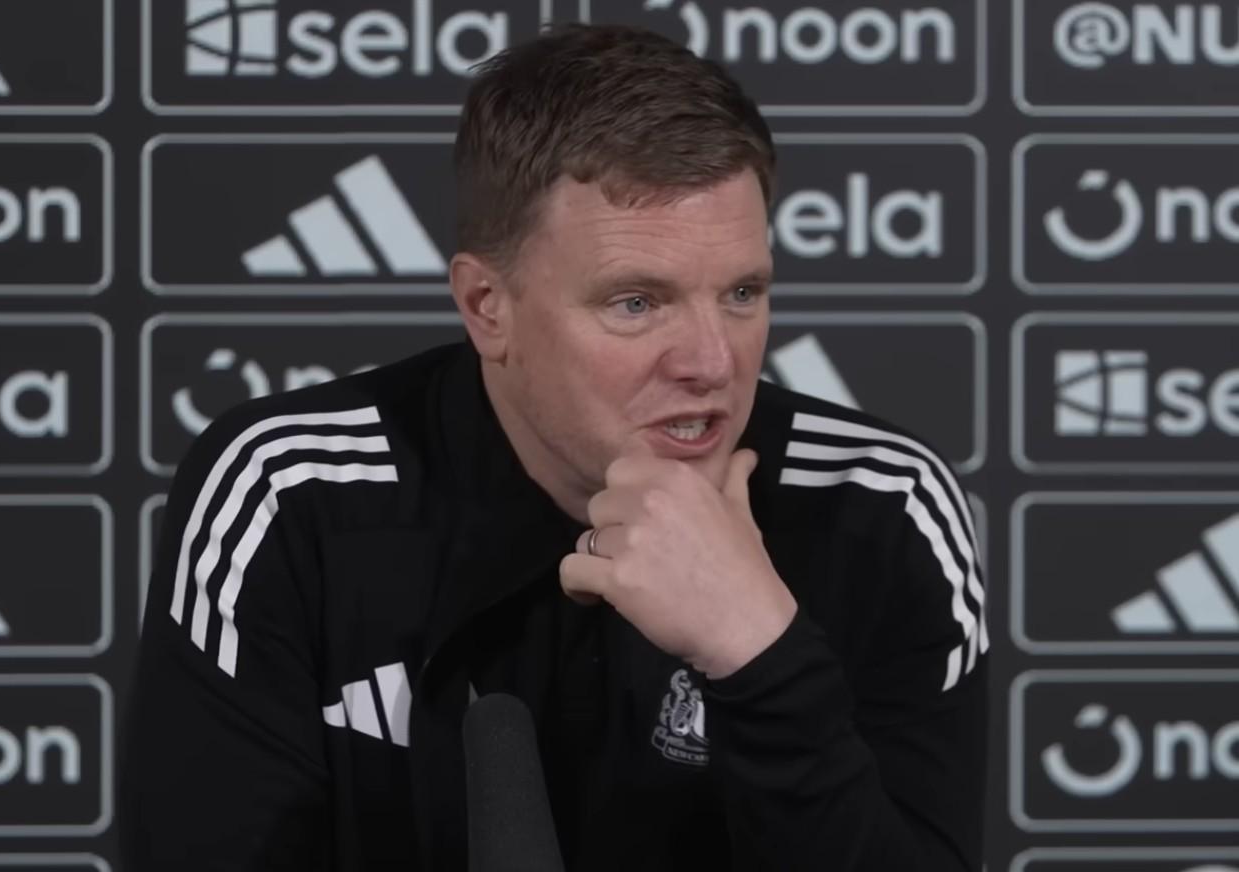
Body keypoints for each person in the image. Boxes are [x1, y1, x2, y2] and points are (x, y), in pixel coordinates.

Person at [120, 23, 987, 871]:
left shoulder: (882, 502)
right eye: (636, 303)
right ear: (487, 307)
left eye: (742, 293)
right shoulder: (289, 492)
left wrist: (760, 652)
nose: (712, 363)